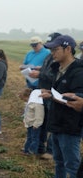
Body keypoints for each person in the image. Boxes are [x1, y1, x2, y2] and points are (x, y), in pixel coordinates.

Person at [38, 35, 83, 178]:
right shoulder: (58, 68)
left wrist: (62, 97)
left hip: (70, 125)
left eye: (56, 49)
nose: (52, 53)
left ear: (68, 49)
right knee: (58, 160)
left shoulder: (78, 71)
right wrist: (51, 94)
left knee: (72, 164)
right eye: (51, 50)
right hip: (56, 122)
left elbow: (77, 98)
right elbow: (62, 92)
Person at [28, 32, 62, 160]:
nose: (50, 49)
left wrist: (39, 74)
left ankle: (51, 150)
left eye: (53, 47)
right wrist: (40, 70)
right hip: (44, 93)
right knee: (42, 120)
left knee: (52, 123)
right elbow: (47, 70)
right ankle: (39, 148)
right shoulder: (49, 56)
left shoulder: (59, 59)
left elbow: (54, 76)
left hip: (52, 94)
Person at [18, 88, 44, 155]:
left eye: (24, 99)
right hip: (29, 124)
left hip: (34, 125)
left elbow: (39, 116)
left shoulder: (37, 104)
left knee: (34, 138)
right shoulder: (29, 103)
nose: (25, 101)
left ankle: (32, 151)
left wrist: (37, 124)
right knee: (29, 137)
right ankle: (27, 149)